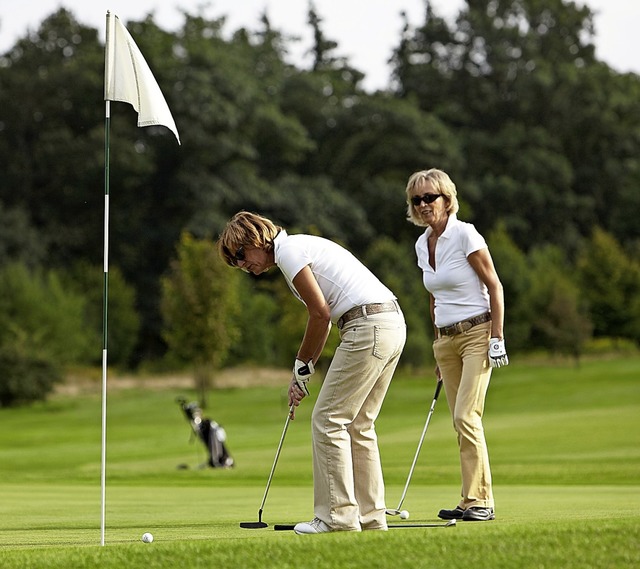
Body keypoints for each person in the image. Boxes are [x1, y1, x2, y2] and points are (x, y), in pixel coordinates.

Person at [218, 211, 406, 534]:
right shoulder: (299, 248)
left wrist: (300, 366)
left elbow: (320, 314)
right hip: (390, 323)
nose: (244, 266)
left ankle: (337, 518)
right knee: (359, 424)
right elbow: (324, 318)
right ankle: (371, 519)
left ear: (256, 239)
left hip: (367, 325)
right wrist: (303, 372)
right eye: (237, 263)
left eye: (241, 255)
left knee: (328, 419)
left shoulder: (289, 251)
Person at [405, 168, 508, 522]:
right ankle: (468, 499)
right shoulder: (422, 244)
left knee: (467, 416)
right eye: (416, 200)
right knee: (458, 421)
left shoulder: (466, 234)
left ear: (446, 199)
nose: (423, 205)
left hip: (478, 334)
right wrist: (438, 345)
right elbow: (434, 297)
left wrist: (497, 337)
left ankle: (482, 501)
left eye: (429, 197)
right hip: (446, 342)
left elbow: (494, 285)